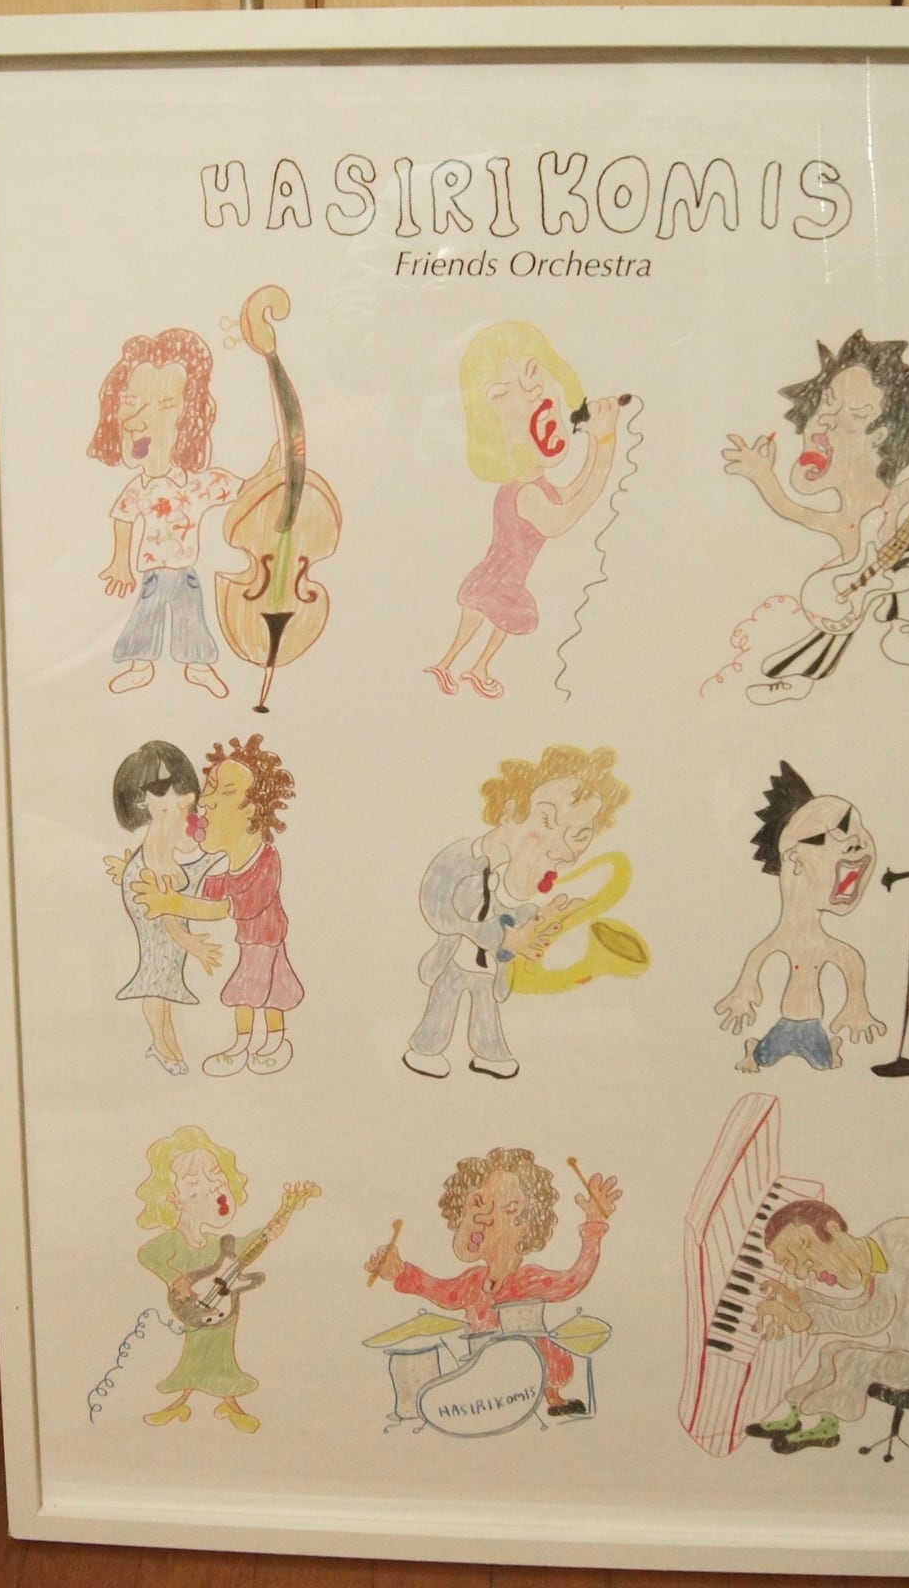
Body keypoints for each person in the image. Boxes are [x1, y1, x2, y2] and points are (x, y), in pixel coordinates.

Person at [718, 331, 909, 704]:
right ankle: (795, 679)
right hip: (850, 584)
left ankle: (904, 626)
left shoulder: (893, 496)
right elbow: (792, 510)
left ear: (879, 434)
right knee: (833, 633)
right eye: (827, 402)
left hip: (877, 581)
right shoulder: (846, 517)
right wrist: (762, 474)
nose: (824, 419)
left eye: (856, 412)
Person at [426, 322, 629, 699]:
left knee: (498, 620)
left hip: (510, 577)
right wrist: (604, 443)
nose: (533, 389)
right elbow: (563, 518)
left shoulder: (537, 486)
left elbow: (572, 492)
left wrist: (598, 445)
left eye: (534, 371)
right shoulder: (527, 494)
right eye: (503, 391)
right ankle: (449, 661)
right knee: (483, 616)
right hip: (501, 573)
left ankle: (475, 666)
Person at [405, 746, 628, 1080]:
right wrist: (504, 937)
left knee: (486, 1009)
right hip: (454, 958)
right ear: (510, 811)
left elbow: (508, 911)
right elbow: (441, 912)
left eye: (579, 835)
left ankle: (490, 1053)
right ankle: (425, 1049)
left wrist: (538, 919)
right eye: (547, 821)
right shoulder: (460, 860)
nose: (562, 849)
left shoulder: (517, 874)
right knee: (443, 1002)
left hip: (489, 967)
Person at [89, 328, 278, 698]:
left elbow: (244, 488)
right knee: (145, 617)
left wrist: (273, 465)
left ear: (188, 418)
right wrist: (120, 561)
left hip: (184, 571)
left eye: (164, 405)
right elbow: (123, 517)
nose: (138, 420)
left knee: (192, 619)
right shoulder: (140, 488)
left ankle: (199, 667)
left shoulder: (197, 484)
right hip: (152, 572)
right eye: (131, 401)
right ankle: (139, 666)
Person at [365, 1147, 619, 1418]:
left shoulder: (530, 1279)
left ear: (529, 1223)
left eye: (508, 1208)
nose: (485, 1217)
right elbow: (438, 1290)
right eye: (478, 1203)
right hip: (486, 1378)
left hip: (533, 1372)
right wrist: (400, 1271)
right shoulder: (471, 1283)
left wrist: (594, 1225)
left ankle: (552, 1396)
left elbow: (573, 1280)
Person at [132, 734, 300, 1076]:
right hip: (251, 942)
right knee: (253, 993)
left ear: (249, 809)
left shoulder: (267, 862)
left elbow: (223, 907)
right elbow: (212, 890)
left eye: (220, 792)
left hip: (266, 941)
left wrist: (172, 903)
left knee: (261, 993)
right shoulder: (234, 866)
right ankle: (244, 1045)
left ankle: (271, 1042)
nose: (203, 802)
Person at [744, 1199, 909, 1455]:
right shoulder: (877, 1255)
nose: (801, 1272)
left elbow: (869, 1319)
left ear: (833, 1229)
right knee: (831, 1351)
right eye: (791, 1263)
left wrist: (803, 1318)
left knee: (850, 1359)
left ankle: (828, 1429)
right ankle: (794, 1417)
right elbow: (862, 1304)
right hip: (901, 1353)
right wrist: (799, 1301)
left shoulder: (902, 1244)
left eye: (805, 1247)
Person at [715, 762, 883, 1072]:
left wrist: (857, 1004)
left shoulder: (827, 944)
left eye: (856, 828)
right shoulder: (784, 938)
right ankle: (756, 1050)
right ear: (794, 859)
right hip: (789, 1021)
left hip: (812, 1024)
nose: (858, 842)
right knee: (768, 1054)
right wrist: (744, 991)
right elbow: (758, 957)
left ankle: (829, 1051)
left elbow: (850, 960)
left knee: (823, 1062)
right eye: (833, 835)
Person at [133, 1126, 291, 1434]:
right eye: (194, 1184)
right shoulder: (173, 1241)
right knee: (196, 1352)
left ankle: (229, 1404)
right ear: (173, 1197)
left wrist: (281, 1218)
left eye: (214, 1176)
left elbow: (250, 1242)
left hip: (224, 1311)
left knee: (222, 1354)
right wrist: (174, 1278)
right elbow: (146, 1255)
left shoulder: (217, 1243)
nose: (210, 1188)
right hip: (197, 1309)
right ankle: (181, 1403)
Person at [103, 742, 224, 1075]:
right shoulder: (158, 836)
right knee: (158, 975)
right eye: (161, 789)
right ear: (142, 799)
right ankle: (161, 1043)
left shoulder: (177, 821)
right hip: (152, 895)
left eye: (180, 785)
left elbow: (192, 849)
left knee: (167, 974)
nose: (177, 795)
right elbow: (162, 907)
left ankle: (166, 1041)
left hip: (163, 891)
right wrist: (189, 941)